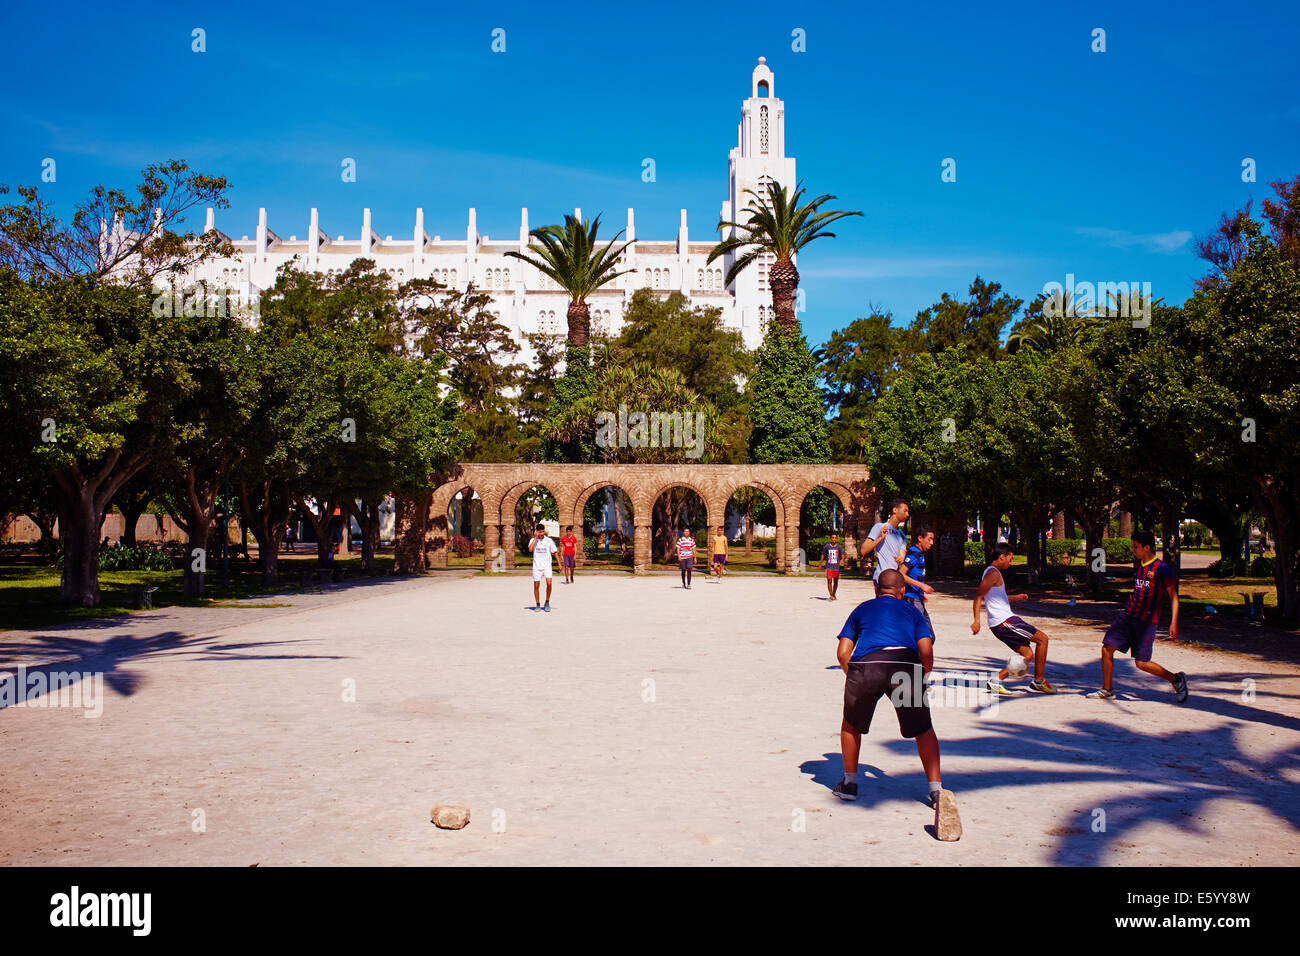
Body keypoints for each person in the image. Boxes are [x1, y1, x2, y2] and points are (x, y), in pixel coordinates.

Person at [832, 569, 952, 820]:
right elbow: (927, 651)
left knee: (851, 724)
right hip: (905, 667)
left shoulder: (862, 609)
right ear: (902, 591)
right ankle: (936, 790)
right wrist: (923, 676)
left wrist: (852, 675)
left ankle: (850, 784)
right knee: (923, 729)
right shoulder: (912, 610)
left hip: (866, 667)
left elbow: (843, 652)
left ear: (876, 590)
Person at [1088, 530, 1187, 702]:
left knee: (1141, 663)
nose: (1133, 550)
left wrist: (1174, 622)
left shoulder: (1162, 569)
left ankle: (1176, 679)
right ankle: (1108, 689)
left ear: (1147, 547)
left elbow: (1174, 597)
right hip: (1127, 616)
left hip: (1146, 622)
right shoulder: (1139, 565)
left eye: (1136, 547)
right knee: (1107, 647)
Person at [971, 543, 1057, 695]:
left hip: (1000, 623)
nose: (1011, 562)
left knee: (1028, 655)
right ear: (1001, 556)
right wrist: (977, 621)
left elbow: (995, 598)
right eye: (1010, 559)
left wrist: (1015, 597)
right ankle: (1038, 681)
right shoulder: (993, 574)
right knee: (1043, 639)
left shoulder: (993, 573)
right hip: (1005, 621)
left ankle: (996, 681)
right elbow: (978, 596)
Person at [898, 525, 937, 644]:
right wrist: (921, 586)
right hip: (912, 600)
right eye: (929, 539)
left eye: (933, 540)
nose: (932, 543)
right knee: (923, 637)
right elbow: (901, 574)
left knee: (927, 637)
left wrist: (920, 592)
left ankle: (916, 662)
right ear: (920, 538)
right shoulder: (914, 554)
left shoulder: (919, 554)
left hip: (917, 598)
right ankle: (915, 662)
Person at [863, 498, 910, 584]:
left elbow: (902, 555)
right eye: (905, 511)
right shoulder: (879, 527)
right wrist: (880, 538)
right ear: (895, 510)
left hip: (894, 578)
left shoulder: (902, 535)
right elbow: (863, 550)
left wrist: (901, 559)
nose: (907, 514)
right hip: (881, 577)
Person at [528, 524, 557, 611]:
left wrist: (559, 564)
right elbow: (530, 549)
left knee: (549, 583)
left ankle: (547, 601)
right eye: (540, 532)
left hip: (547, 565)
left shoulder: (549, 540)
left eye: (543, 531)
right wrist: (536, 538)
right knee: (536, 585)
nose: (541, 533)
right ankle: (537, 604)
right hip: (537, 566)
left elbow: (554, 552)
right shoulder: (533, 540)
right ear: (536, 532)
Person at [821, 533, 844, 601]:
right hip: (829, 566)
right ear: (830, 538)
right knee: (829, 580)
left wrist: (842, 560)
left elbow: (842, 554)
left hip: (836, 567)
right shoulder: (827, 546)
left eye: (835, 538)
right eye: (832, 538)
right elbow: (823, 554)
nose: (834, 539)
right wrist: (820, 563)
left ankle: (834, 594)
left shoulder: (839, 547)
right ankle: (831, 595)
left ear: (837, 539)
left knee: (836, 581)